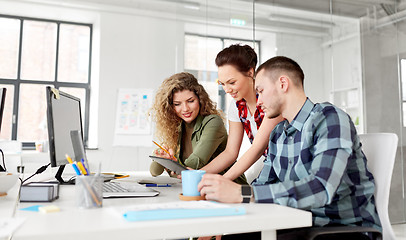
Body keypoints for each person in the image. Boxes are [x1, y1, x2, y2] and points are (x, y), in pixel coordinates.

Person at [198, 56, 381, 240]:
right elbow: (262, 185)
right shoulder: (278, 135)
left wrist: (242, 193)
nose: (258, 101)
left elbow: (321, 188)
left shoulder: (329, 118)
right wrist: (221, 215)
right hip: (297, 223)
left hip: (342, 228)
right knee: (231, 236)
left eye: (260, 91)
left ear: (283, 84)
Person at [201, 44, 283, 183]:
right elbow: (230, 153)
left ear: (251, 73)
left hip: (291, 165)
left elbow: (257, 148)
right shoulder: (237, 106)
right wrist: (199, 173)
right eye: (222, 84)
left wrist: (223, 180)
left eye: (231, 82)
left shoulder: (269, 99)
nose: (227, 89)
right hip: (272, 166)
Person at [149, 72, 246, 184]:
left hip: (230, 188)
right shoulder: (177, 128)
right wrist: (163, 158)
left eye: (190, 101)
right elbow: (154, 171)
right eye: (177, 104)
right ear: (170, 107)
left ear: (200, 99)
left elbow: (193, 165)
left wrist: (171, 166)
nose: (185, 109)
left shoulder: (213, 123)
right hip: (201, 189)